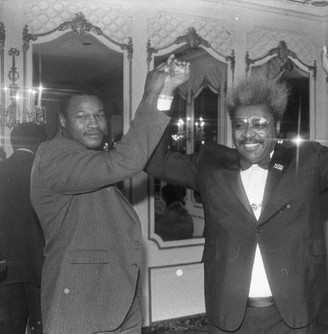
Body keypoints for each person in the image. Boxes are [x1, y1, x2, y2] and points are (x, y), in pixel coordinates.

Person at [144, 47, 328, 333]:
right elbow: (153, 160)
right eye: (240, 125)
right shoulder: (210, 163)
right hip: (230, 315)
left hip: (293, 315)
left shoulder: (306, 161)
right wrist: (165, 92)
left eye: (259, 124)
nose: (248, 133)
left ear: (276, 127)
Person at [30, 56, 190, 334]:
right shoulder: (55, 156)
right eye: (82, 117)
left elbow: (137, 153)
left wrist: (166, 92)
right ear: (62, 121)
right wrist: (152, 92)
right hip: (81, 305)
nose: (94, 124)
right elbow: (127, 161)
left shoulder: (85, 158)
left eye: (99, 115)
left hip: (115, 300)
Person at [0, 123, 46, 334]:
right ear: (39, 144)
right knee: (43, 327)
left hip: (6, 271)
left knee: (9, 328)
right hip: (41, 267)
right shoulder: (44, 173)